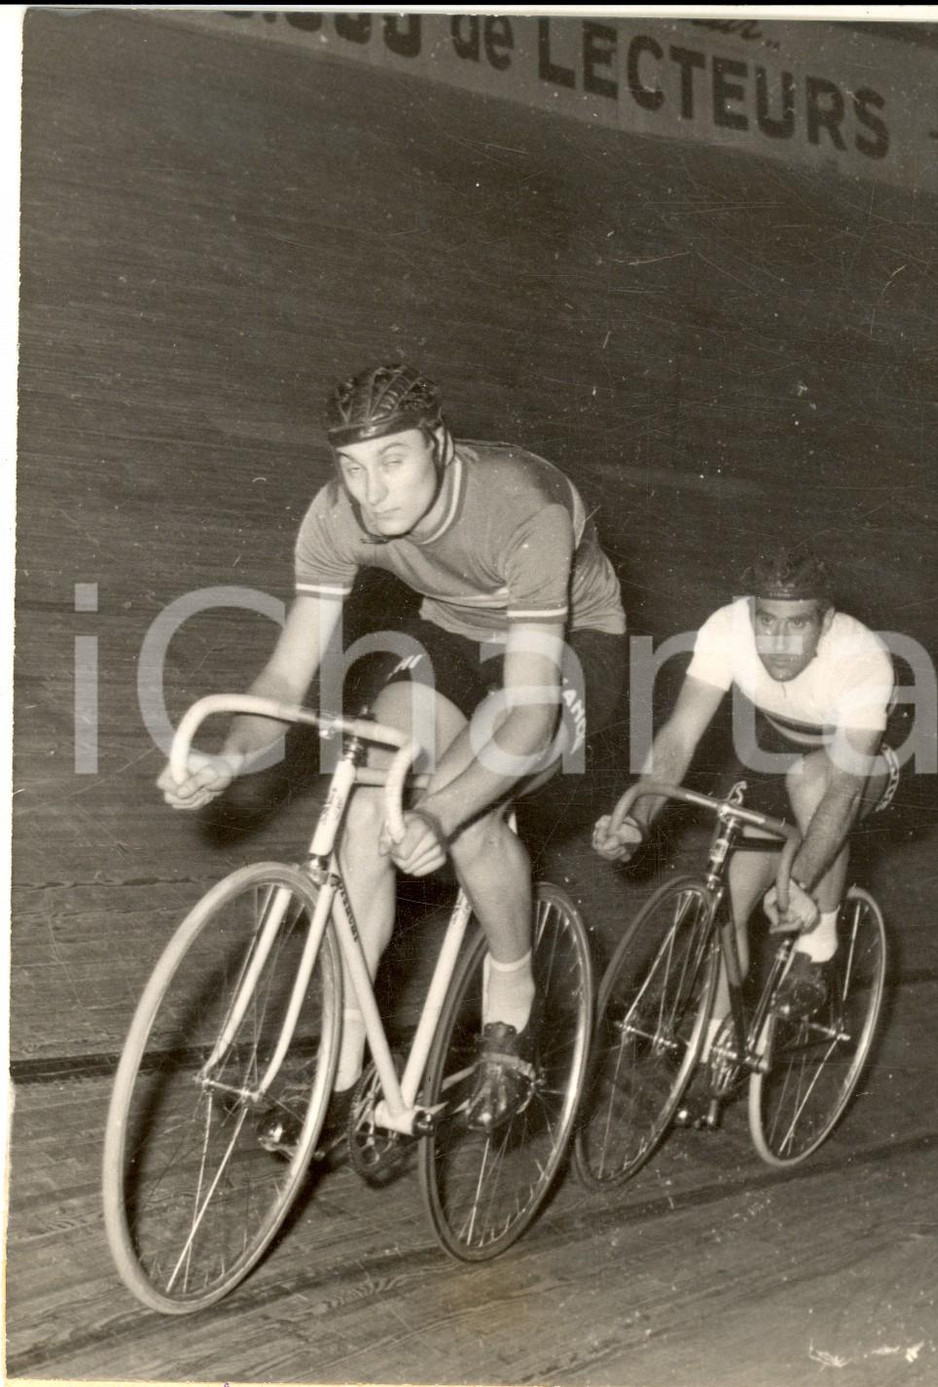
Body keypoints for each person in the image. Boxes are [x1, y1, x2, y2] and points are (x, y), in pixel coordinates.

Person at [158, 363, 626, 1144]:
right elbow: (284, 674)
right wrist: (230, 758)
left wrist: (440, 813)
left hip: (571, 641)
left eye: (393, 460)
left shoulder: (523, 511)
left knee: (469, 807)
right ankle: (341, 1065)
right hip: (457, 627)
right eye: (351, 467)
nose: (371, 492)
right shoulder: (337, 515)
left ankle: (511, 1000)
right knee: (369, 803)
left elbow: (530, 717)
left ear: (439, 445)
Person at [593, 543, 898, 1110]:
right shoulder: (725, 630)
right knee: (725, 905)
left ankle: (819, 942)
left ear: (825, 622)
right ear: (749, 611)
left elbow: (844, 789)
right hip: (779, 751)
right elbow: (680, 735)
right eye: (767, 621)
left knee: (811, 783)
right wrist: (638, 817)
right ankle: (715, 1039)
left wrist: (798, 884)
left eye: (798, 624)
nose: (778, 642)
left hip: (859, 763)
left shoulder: (861, 658)